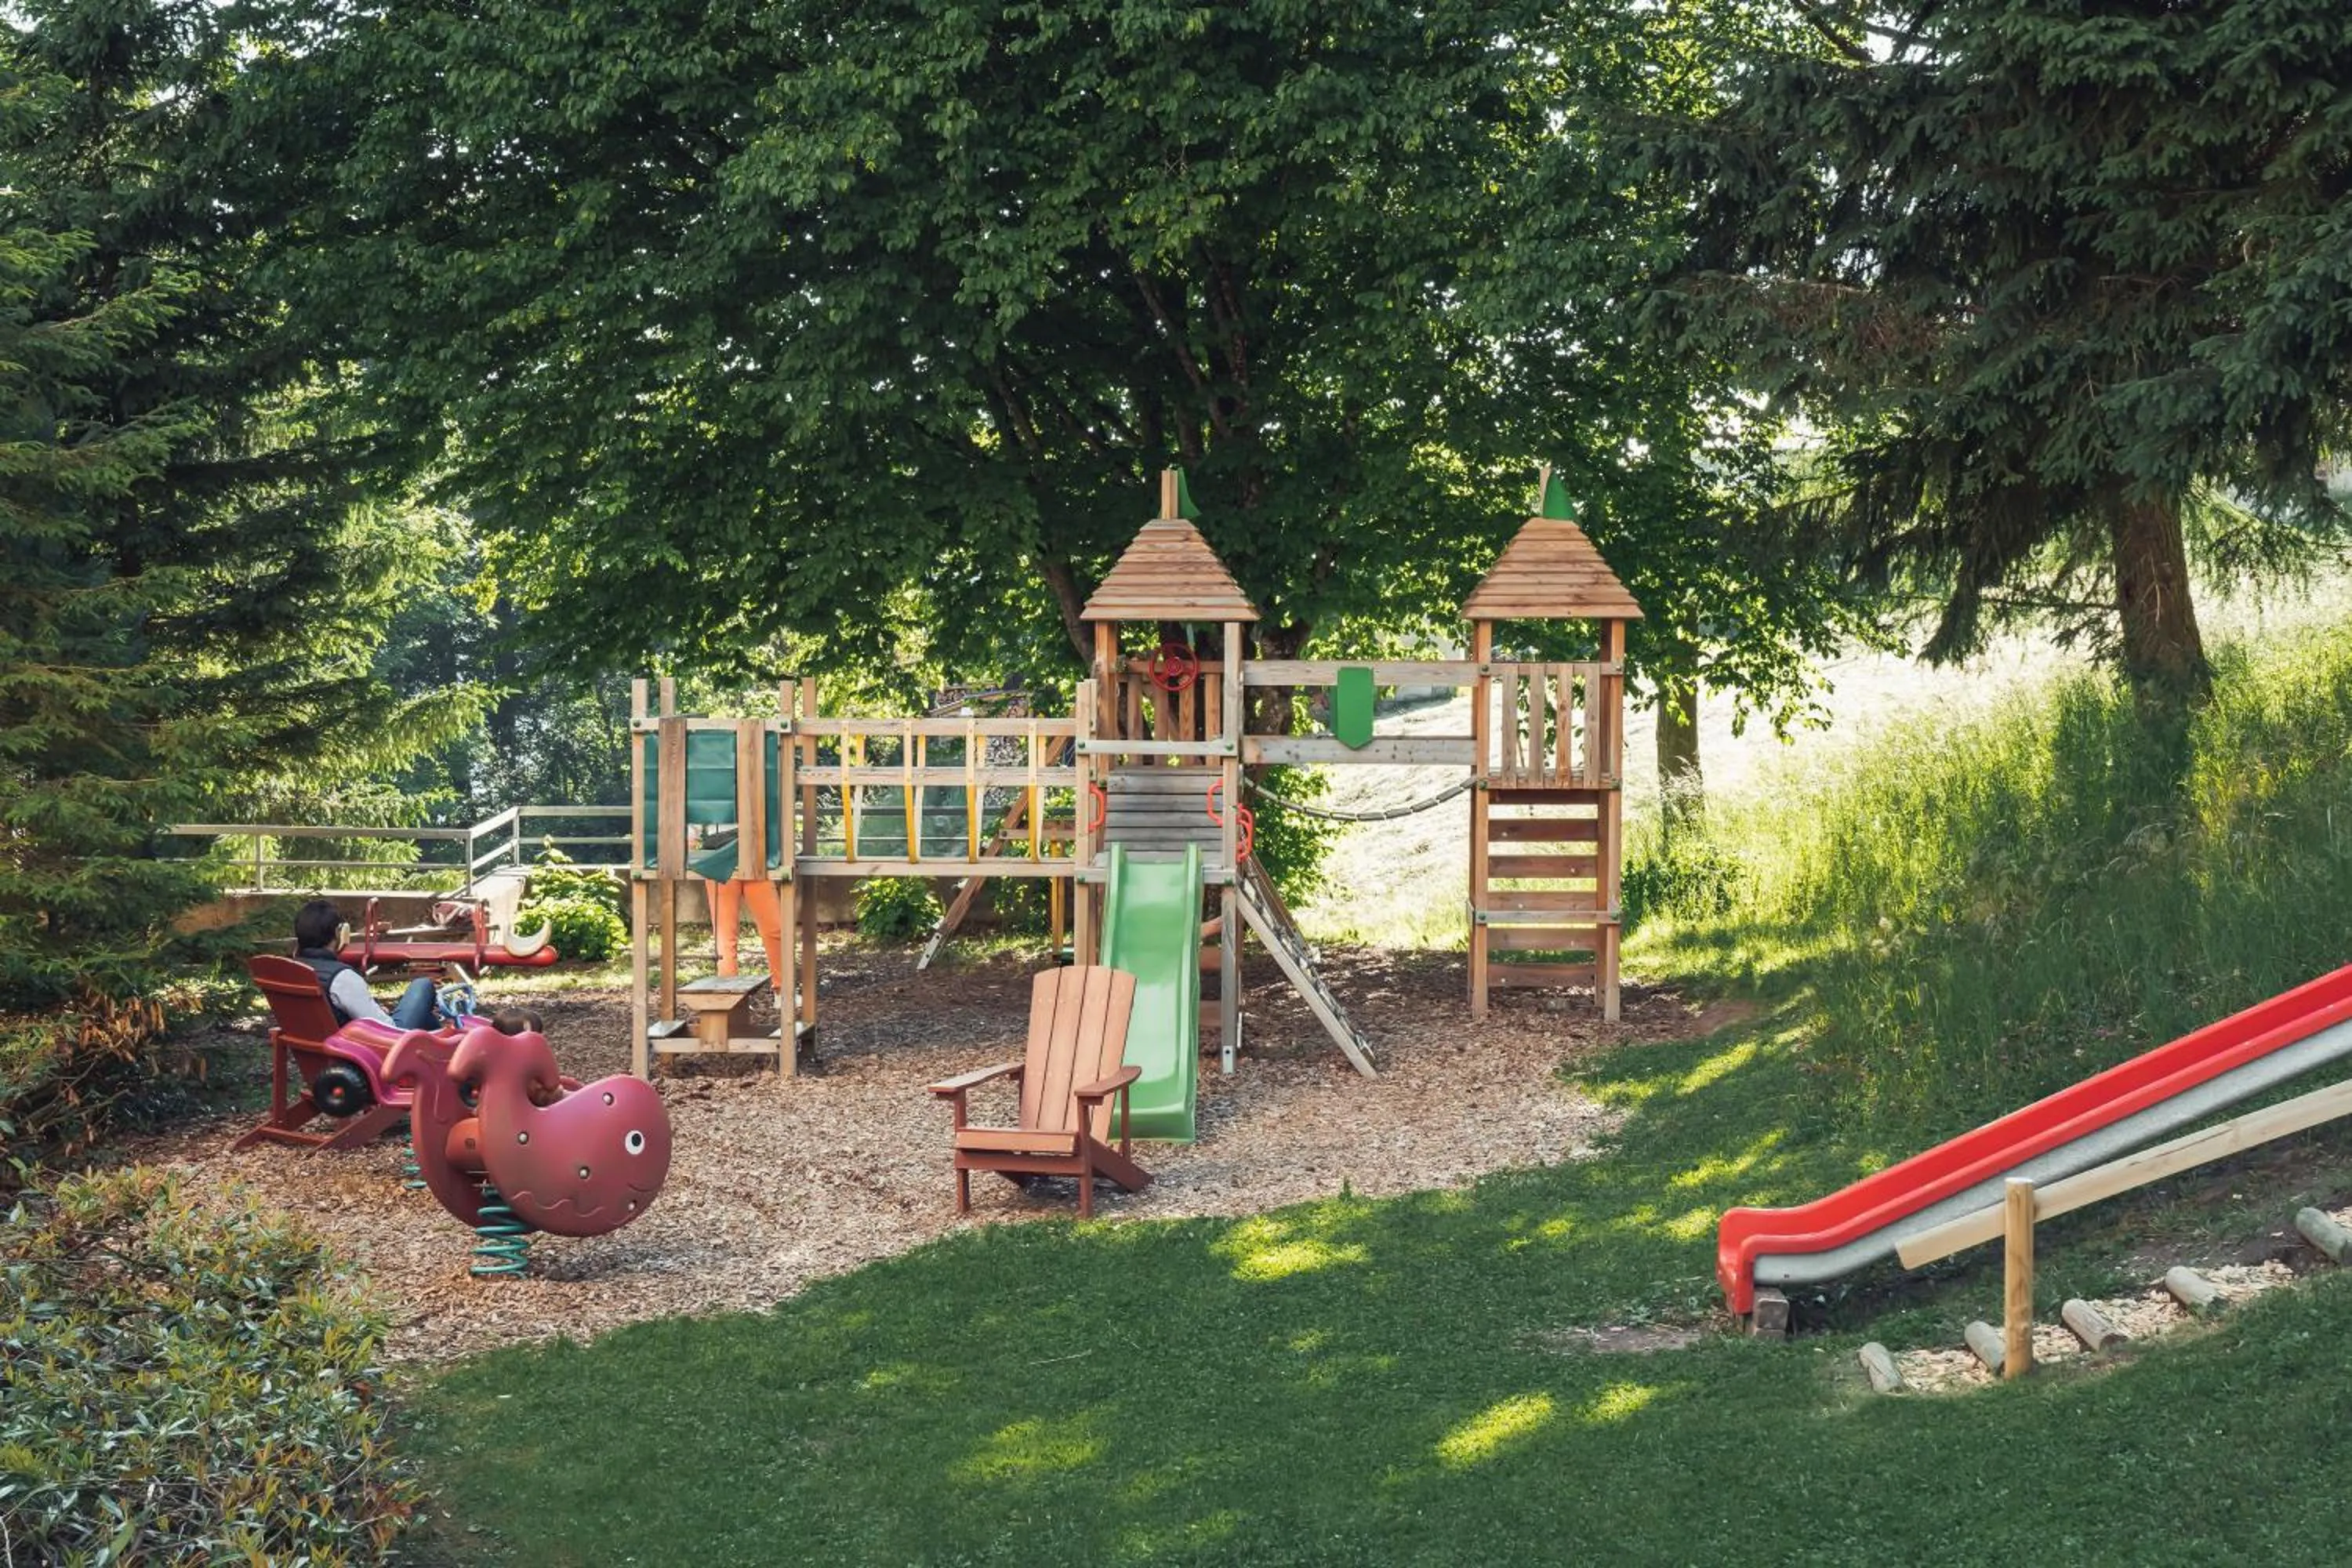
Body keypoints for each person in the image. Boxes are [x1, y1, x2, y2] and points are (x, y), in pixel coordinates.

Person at [294, 899, 441, 1029]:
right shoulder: (341, 978)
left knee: (424, 1016)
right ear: (339, 933)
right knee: (423, 985)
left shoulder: (291, 970)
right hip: (379, 1045)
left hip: (316, 1047)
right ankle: (443, 1047)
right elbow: (385, 1028)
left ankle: (437, 1045)